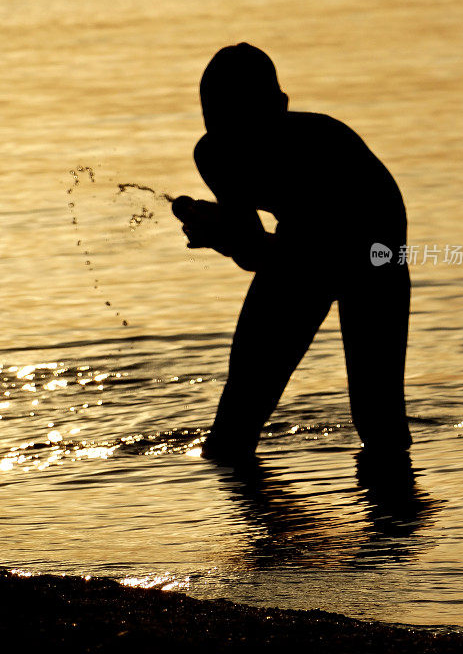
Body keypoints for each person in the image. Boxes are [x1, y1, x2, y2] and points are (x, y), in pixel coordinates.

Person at [172, 43, 412, 463]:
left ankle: (395, 523)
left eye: (245, 115)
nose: (234, 132)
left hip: (376, 246)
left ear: (281, 106)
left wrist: (225, 236)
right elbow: (259, 255)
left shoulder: (324, 141)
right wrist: (222, 234)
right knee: (234, 427)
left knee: (380, 424)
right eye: (218, 117)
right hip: (305, 242)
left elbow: (315, 258)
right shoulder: (213, 154)